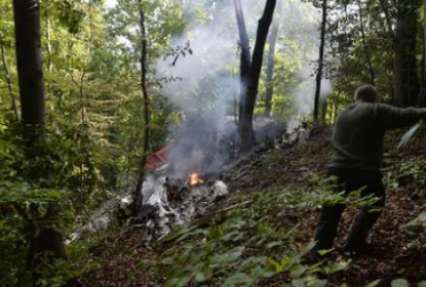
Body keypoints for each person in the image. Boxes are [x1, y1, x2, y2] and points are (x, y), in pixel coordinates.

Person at [313, 84, 426, 255]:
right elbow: (404, 115)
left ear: (356, 97)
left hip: (335, 169)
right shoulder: (374, 110)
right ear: (374, 98)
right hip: (363, 170)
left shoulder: (343, 113)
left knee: (330, 211)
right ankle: (353, 245)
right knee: (374, 204)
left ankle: (318, 252)